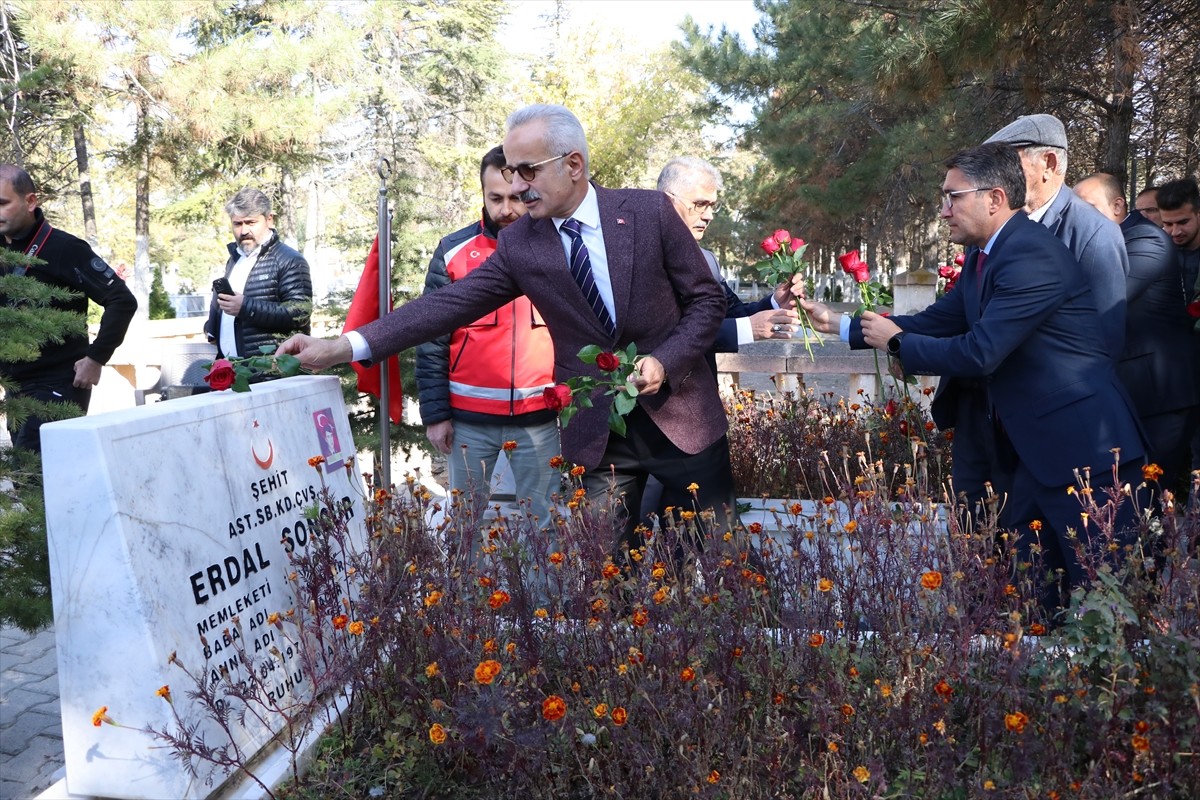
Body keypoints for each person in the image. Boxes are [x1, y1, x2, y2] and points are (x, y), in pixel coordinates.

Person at [278, 104, 732, 564]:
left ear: (573, 165)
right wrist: (342, 346)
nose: (516, 188)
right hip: (598, 437)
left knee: (722, 557)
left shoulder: (648, 212)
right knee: (604, 573)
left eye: (527, 171)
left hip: (681, 420)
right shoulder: (521, 243)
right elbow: (445, 306)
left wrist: (664, 361)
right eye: (512, 172)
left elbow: (707, 301)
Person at [799, 142, 1147, 613]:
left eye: (952, 197)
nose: (943, 211)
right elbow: (941, 319)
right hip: (1034, 454)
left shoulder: (1030, 254)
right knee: (1035, 596)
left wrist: (896, 343)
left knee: (1109, 599)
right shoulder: (988, 254)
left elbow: (982, 351)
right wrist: (841, 325)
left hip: (1082, 451)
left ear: (995, 198)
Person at [414, 145, 560, 558]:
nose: (506, 208)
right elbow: (431, 336)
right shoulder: (454, 251)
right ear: (482, 193)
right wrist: (436, 414)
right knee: (466, 524)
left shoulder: (558, 247)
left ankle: (544, 616)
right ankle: (467, 616)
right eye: (495, 198)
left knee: (542, 525)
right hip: (468, 423)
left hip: (538, 421)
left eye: (514, 197)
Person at [1073, 172, 1199, 493]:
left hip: (1159, 395)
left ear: (1118, 206)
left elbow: (1103, 299)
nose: (1077, 215)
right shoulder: (1092, 244)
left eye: (1087, 206)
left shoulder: (1146, 240)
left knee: (1150, 495)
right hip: (1125, 393)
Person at [0, 164, 137, 451]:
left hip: (59, 383)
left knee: (39, 475)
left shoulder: (64, 248)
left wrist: (96, 358)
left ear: (30, 201)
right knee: (30, 478)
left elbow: (122, 301)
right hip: (15, 387)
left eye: (3, 204)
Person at [656, 156, 798, 350]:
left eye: (712, 206)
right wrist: (747, 329)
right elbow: (664, 334)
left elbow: (732, 314)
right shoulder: (640, 256)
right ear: (667, 200)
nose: (709, 216)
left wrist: (775, 303)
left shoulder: (708, 261)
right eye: (700, 204)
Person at [205, 187, 312, 362]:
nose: (244, 230)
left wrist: (246, 307)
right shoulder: (235, 259)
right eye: (237, 224)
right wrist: (212, 327)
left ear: (269, 220)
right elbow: (229, 309)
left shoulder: (290, 260)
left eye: (251, 222)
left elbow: (300, 313)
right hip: (234, 372)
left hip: (273, 372)